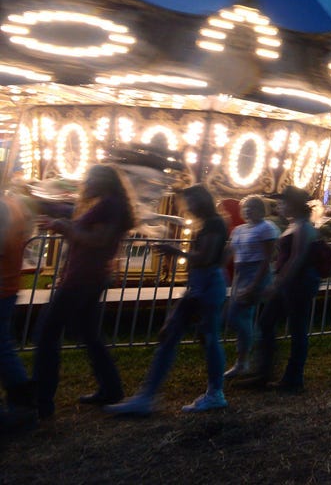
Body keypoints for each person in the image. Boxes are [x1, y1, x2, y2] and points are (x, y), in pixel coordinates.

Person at [107, 185, 230, 415]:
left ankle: (154, 396)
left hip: (205, 288)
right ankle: (150, 395)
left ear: (201, 200)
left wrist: (176, 252)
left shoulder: (214, 223)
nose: (187, 205)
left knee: (201, 338)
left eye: (190, 200)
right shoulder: (210, 223)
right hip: (203, 286)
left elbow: (206, 258)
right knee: (182, 336)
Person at [33, 164, 136, 418]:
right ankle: (111, 389)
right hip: (91, 275)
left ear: (101, 181)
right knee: (90, 334)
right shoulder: (112, 205)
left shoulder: (109, 206)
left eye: (89, 179)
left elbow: (97, 241)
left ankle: (41, 399)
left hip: (82, 277)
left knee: (47, 332)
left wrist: (64, 226)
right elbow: (92, 238)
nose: (84, 183)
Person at [243, 186, 321, 393]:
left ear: (292, 204)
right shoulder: (294, 225)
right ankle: (265, 371)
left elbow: (297, 257)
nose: (279, 205)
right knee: (267, 322)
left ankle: (293, 378)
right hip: (288, 283)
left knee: (296, 329)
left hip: (297, 285)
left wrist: (277, 282)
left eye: (282, 202)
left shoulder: (303, 227)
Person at [224, 195, 279, 379]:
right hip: (241, 273)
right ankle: (245, 358)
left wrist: (255, 283)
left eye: (252, 206)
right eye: (245, 207)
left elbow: (267, 257)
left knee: (237, 315)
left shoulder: (266, 228)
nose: (248, 210)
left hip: (256, 273)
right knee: (240, 317)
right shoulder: (238, 230)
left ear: (260, 209)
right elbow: (230, 252)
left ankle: (249, 353)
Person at [1, 194, 35, 424]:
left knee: (3, 348)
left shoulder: (5, 209)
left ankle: (23, 405)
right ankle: (22, 402)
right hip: (8, 285)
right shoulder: (14, 206)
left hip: (2, 285)